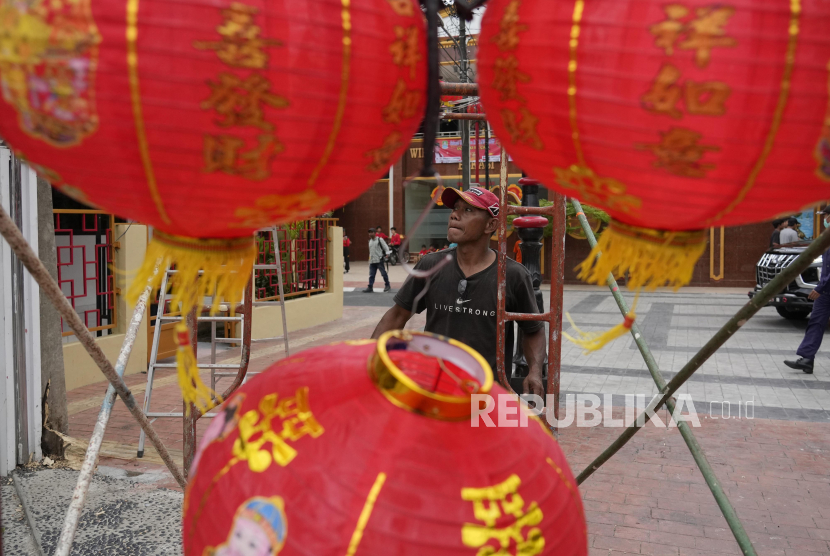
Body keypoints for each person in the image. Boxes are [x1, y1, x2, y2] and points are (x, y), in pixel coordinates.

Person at [370, 186, 546, 397]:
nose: (454, 215)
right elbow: (397, 315)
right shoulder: (430, 265)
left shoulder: (514, 275)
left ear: (491, 225)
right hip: (434, 388)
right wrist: (368, 357)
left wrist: (534, 371)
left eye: (468, 210)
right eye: (455, 208)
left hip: (487, 393)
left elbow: (533, 329)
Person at [785, 212, 830, 374]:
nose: (824, 220)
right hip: (825, 292)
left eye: (826, 216)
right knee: (816, 323)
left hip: (824, 289)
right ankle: (807, 359)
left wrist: (820, 287)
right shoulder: (826, 238)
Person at [363, 228, 391, 293]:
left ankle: (387, 285)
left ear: (375, 233)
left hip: (379, 260)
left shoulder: (379, 239)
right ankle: (370, 287)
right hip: (372, 261)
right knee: (371, 275)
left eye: (371, 232)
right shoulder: (370, 241)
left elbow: (386, 247)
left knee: (383, 273)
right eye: (369, 232)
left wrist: (387, 254)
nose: (370, 233)